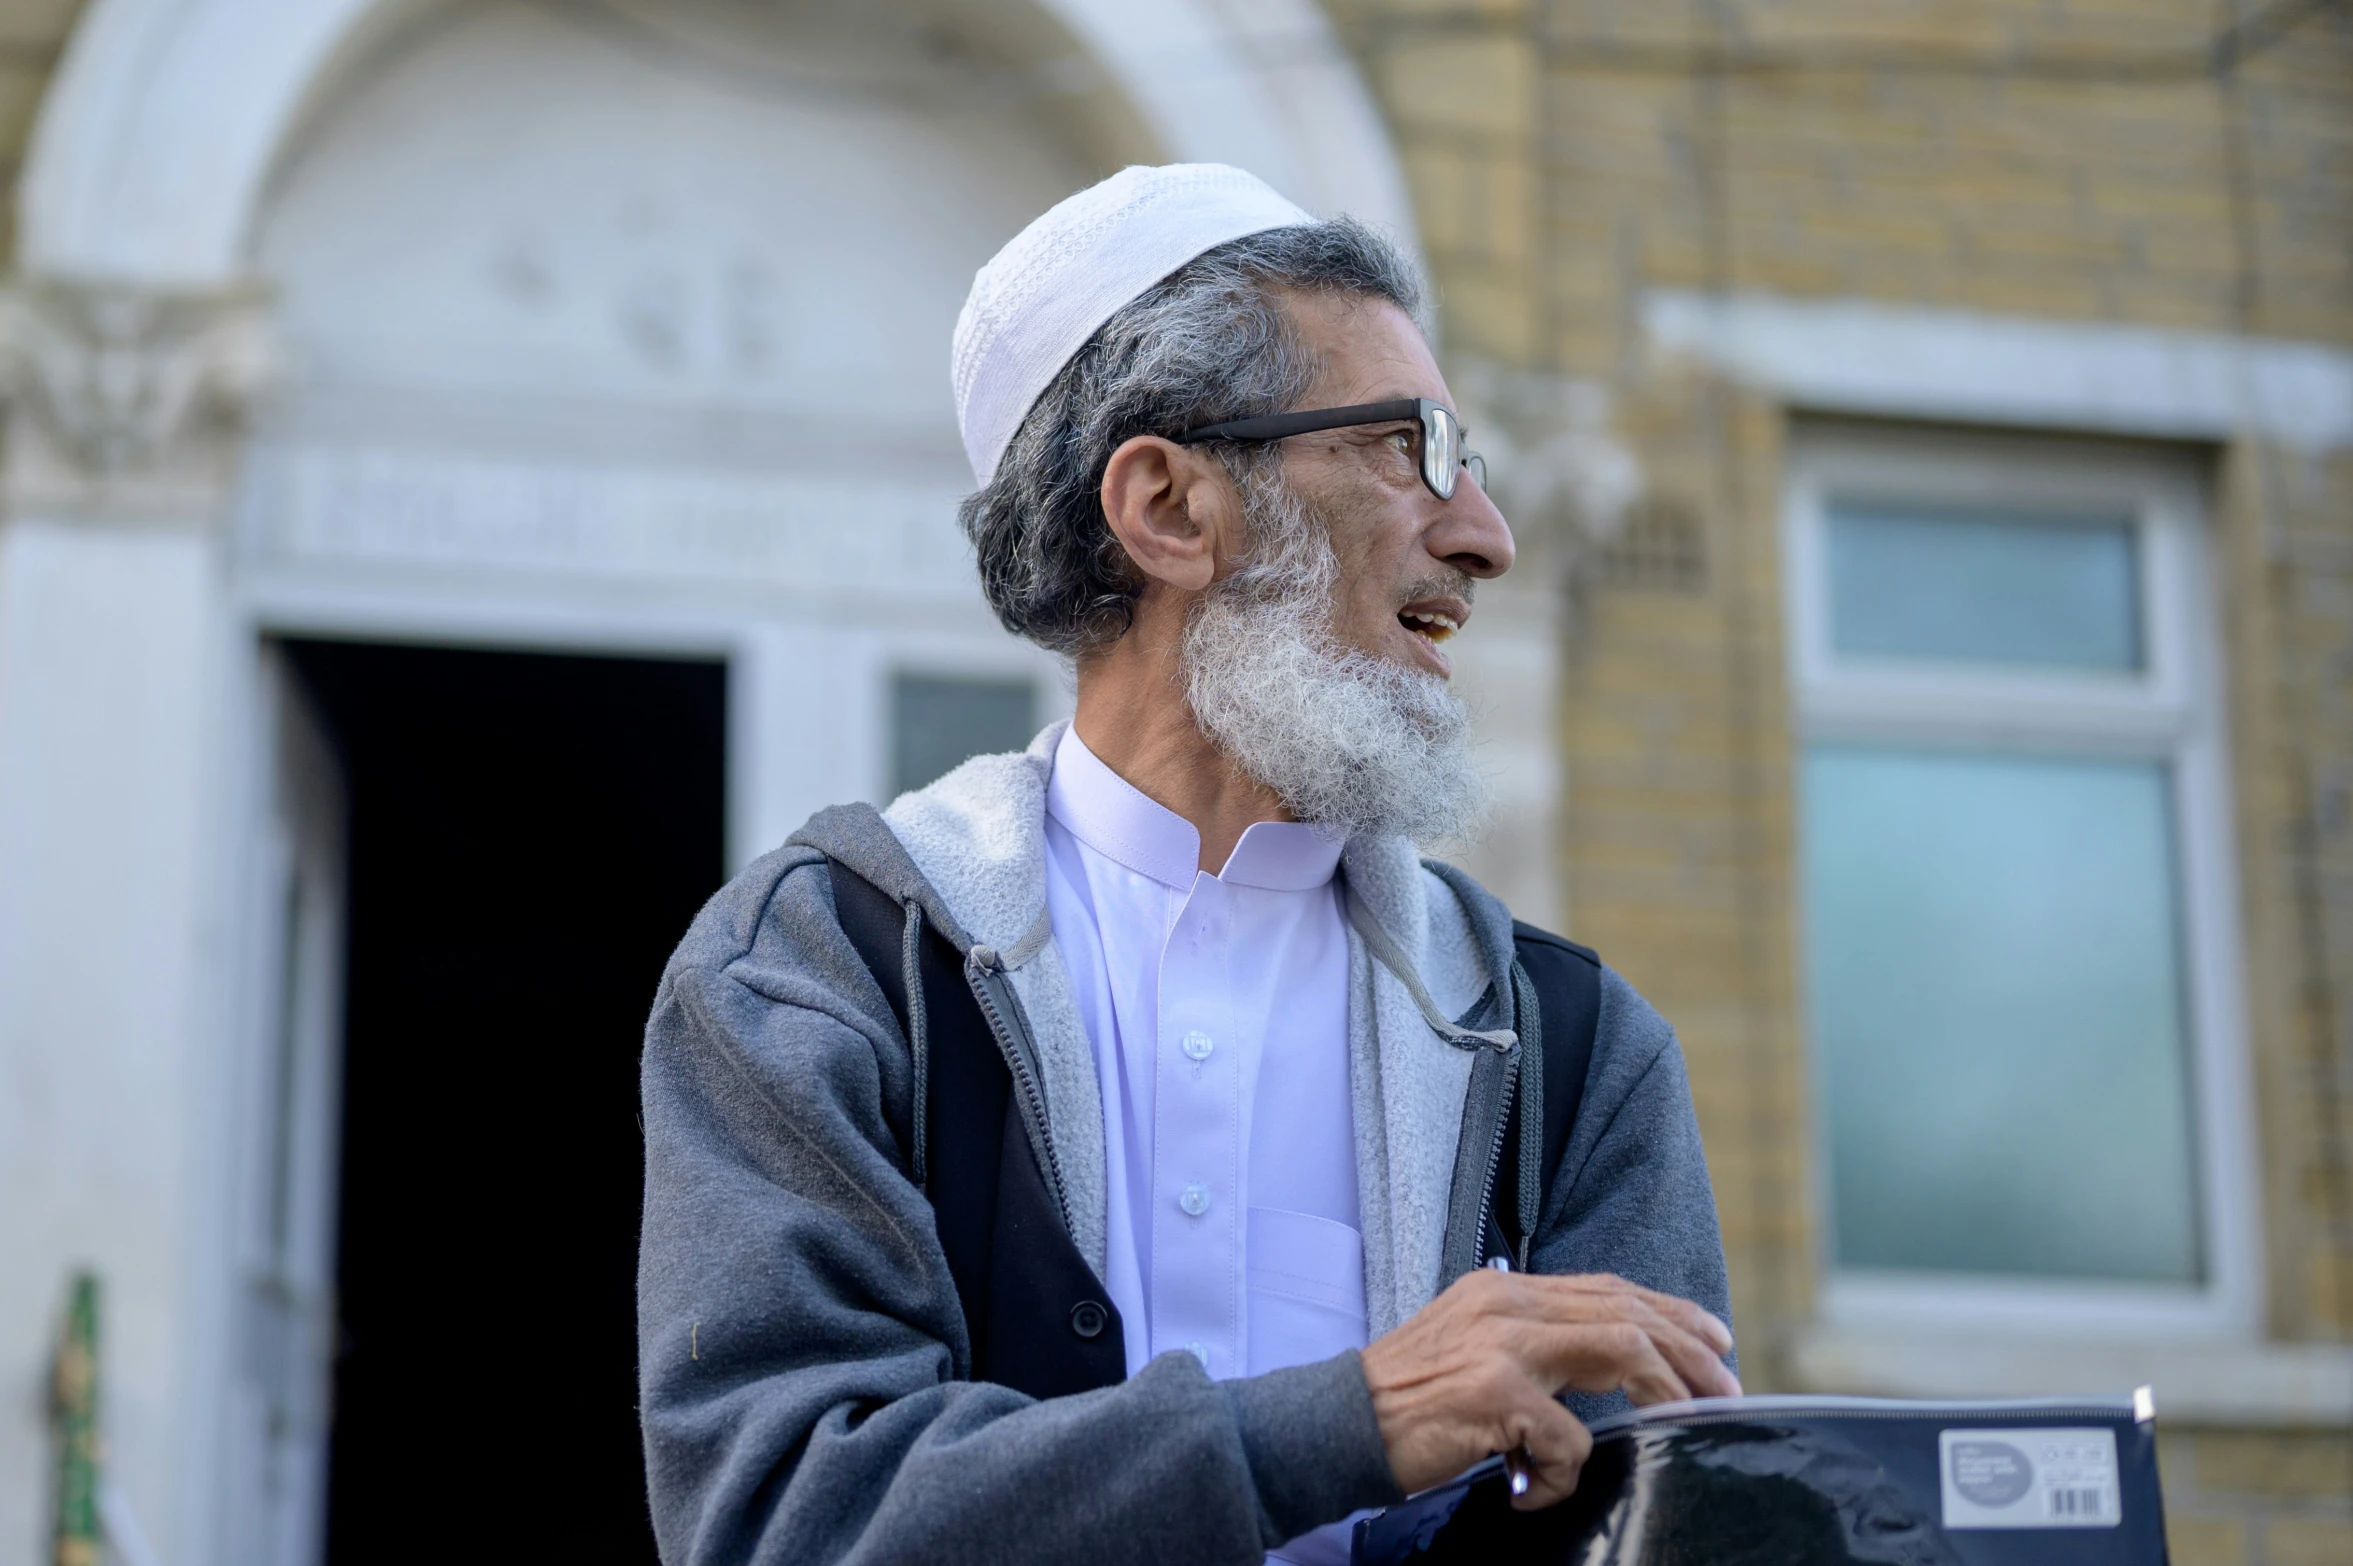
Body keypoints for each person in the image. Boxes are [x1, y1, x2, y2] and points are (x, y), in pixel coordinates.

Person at [636, 164, 1737, 1566]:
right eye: (1412, 449)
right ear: (1167, 505)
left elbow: (1672, 1525)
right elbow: (786, 1521)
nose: (1486, 535)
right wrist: (1358, 1418)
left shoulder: (1571, 1056)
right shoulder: (829, 970)